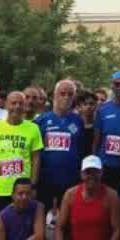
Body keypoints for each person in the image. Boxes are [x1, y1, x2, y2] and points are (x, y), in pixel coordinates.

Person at [0, 88, 40, 224]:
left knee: (22, 226)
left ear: (25, 106)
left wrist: (32, 186)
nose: (17, 106)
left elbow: (36, 160)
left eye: (20, 103)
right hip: (0, 188)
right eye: (13, 103)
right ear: (6, 105)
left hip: (23, 190)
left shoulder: (33, 128)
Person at [36, 79, 87, 213]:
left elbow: (82, 149)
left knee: (68, 216)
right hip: (45, 180)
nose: (66, 97)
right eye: (62, 93)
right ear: (54, 95)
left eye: (70, 94)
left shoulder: (78, 121)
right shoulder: (41, 121)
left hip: (70, 180)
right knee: (43, 215)